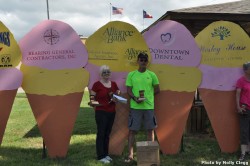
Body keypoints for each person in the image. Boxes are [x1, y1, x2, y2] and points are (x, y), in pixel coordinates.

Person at [125, 52, 160, 162]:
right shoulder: (131, 74)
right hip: (135, 107)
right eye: (141, 60)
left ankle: (150, 156)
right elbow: (128, 90)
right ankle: (130, 155)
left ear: (147, 62)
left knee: (150, 130)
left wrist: (148, 97)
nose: (143, 62)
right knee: (132, 131)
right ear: (138, 61)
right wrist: (135, 98)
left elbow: (157, 89)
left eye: (145, 60)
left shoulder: (152, 75)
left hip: (149, 107)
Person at [89, 65, 120, 164]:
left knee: (107, 134)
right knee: (101, 133)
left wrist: (117, 94)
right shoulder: (96, 85)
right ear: (101, 74)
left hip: (112, 111)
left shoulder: (114, 84)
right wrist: (92, 102)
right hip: (101, 111)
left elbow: (117, 93)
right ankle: (100, 156)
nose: (106, 74)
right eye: (104, 72)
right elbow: (92, 97)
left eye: (108, 72)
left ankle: (106, 154)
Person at [236, 62, 250, 161]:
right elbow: (237, 95)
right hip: (245, 109)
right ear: (245, 70)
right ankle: (243, 154)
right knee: (244, 131)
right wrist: (238, 107)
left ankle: (249, 151)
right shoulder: (241, 81)